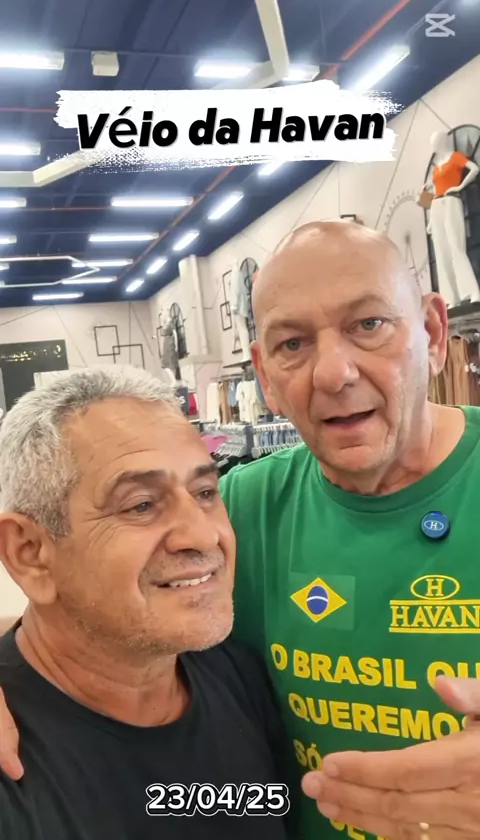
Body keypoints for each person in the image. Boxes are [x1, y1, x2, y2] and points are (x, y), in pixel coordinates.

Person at [2, 220, 480, 840]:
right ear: (265, 374)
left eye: (369, 324)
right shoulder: (245, 508)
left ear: (434, 334)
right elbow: (86, 588)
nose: (334, 372)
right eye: (292, 343)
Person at [0, 367, 290, 840]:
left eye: (205, 493)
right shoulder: (12, 768)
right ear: (30, 553)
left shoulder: (237, 678)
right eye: (140, 505)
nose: (203, 535)